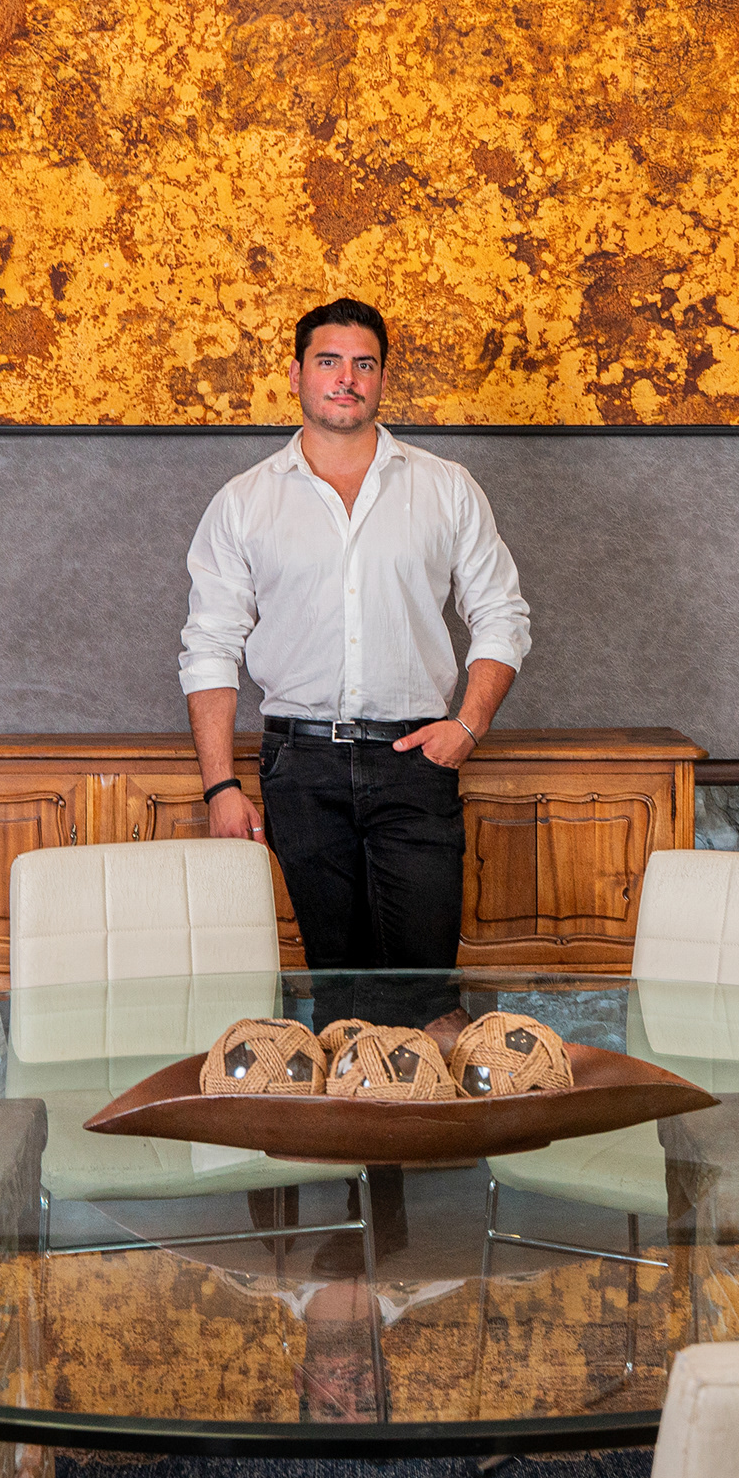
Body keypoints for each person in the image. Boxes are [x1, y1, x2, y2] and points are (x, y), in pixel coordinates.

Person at [179, 299, 531, 983]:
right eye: (329, 361)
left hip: (415, 761)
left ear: (382, 379)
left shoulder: (446, 488)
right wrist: (220, 784)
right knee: (334, 980)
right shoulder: (244, 502)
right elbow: (210, 647)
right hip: (300, 768)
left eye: (364, 364)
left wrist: (469, 725)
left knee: (422, 981)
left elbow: (501, 614)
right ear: (296, 375)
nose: (347, 378)